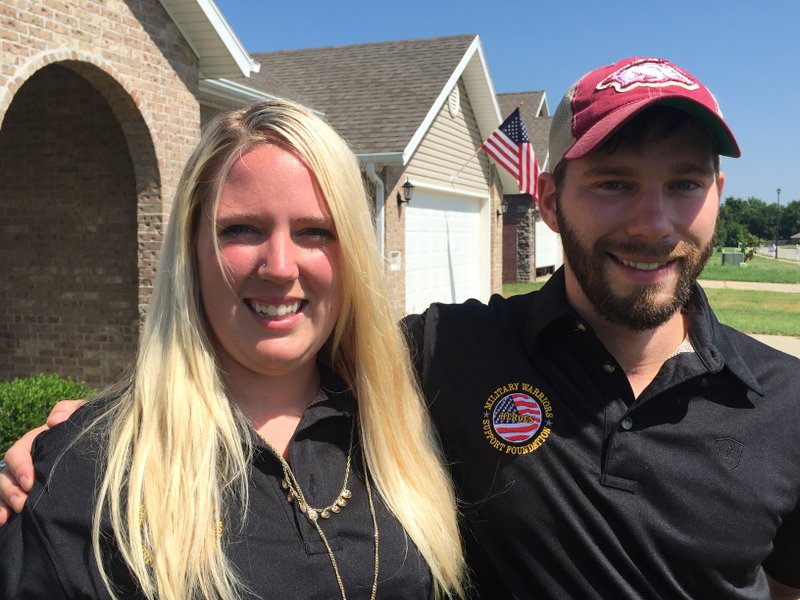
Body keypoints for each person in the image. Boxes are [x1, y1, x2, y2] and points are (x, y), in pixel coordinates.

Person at [3, 57, 800, 599]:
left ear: (719, 195)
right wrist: (86, 429)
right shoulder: (452, 354)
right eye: (615, 183)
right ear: (550, 202)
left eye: (685, 184)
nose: (652, 222)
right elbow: (263, 357)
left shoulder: (785, 403)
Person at [0, 99, 465, 599]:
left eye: (315, 232)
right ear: (191, 249)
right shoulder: (89, 470)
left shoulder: (411, 422)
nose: (280, 266)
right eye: (241, 229)